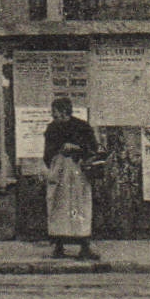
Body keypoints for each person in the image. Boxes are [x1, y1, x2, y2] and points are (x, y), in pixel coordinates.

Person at [43, 96, 100, 260]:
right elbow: (47, 152)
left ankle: (84, 245)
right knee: (58, 207)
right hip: (59, 172)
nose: (54, 116)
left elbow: (93, 148)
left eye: (56, 112)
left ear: (64, 112)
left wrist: (77, 147)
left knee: (80, 207)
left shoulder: (82, 127)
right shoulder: (52, 129)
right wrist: (55, 160)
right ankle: (58, 245)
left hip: (78, 173)